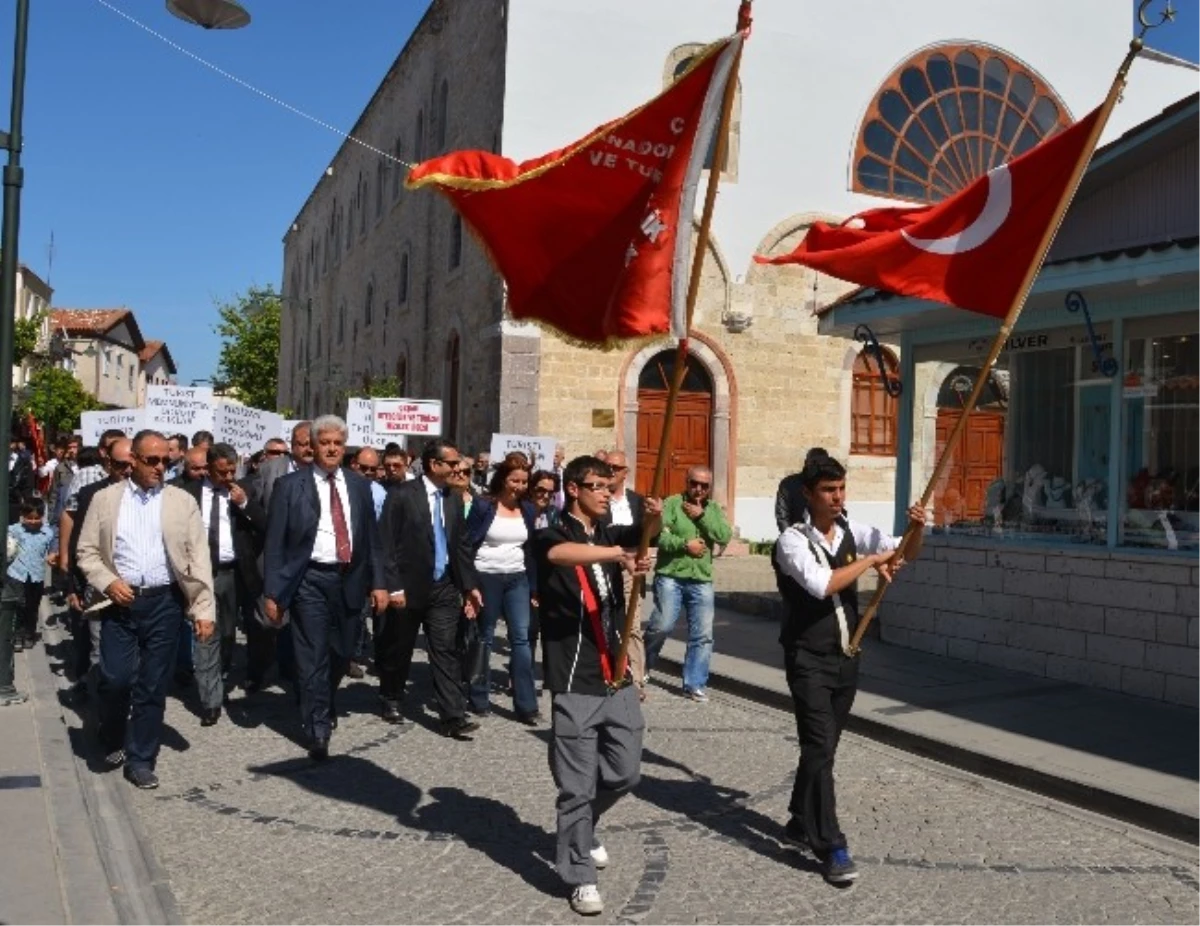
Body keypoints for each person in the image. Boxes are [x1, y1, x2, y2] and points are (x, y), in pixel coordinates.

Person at [774, 454, 926, 884]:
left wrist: (918, 529)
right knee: (820, 746)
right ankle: (831, 844)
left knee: (823, 749)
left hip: (847, 656)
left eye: (841, 488)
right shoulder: (792, 540)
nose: (837, 497)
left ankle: (801, 818)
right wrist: (870, 562)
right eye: (828, 490)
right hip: (807, 659)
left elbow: (902, 553)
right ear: (809, 494)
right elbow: (823, 584)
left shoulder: (849, 531)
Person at [536, 455, 661, 916]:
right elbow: (558, 556)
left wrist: (655, 516)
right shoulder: (552, 532)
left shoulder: (610, 530)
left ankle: (584, 827)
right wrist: (616, 556)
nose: (608, 494)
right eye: (599, 487)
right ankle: (577, 874)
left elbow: (648, 534)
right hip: (574, 674)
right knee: (575, 787)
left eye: (612, 487)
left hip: (617, 673)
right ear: (574, 489)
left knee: (627, 771)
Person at [77, 430, 216, 790]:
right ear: (133, 461)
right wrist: (108, 581)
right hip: (119, 603)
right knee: (116, 677)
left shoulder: (181, 502)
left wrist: (204, 610)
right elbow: (86, 552)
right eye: (152, 460)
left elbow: (198, 558)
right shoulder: (106, 500)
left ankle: (140, 758)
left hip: (164, 603)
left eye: (165, 461)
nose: (160, 467)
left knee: (153, 685)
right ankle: (110, 733)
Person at [262, 415, 387, 761]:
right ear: (312, 446)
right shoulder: (291, 486)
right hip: (309, 580)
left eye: (337, 443)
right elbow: (275, 544)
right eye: (325, 443)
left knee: (342, 651)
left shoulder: (358, 485)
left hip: (349, 578)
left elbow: (372, 541)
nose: (331, 449)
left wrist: (379, 583)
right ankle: (317, 726)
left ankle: (323, 699)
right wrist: (273, 592)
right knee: (312, 654)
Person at [376, 439, 480, 738]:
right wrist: (392, 587)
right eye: (451, 463)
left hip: (443, 588)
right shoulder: (402, 495)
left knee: (445, 649)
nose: (457, 468)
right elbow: (387, 545)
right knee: (400, 647)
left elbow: (460, 545)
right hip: (408, 588)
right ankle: (391, 696)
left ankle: (452, 716)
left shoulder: (453, 498)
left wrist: (469, 585)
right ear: (434, 465)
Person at [182, 443, 267, 726]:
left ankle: (221, 677)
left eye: (232, 470)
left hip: (234, 574)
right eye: (221, 472)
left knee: (228, 634)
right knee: (206, 633)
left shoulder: (245, 490)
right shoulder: (189, 494)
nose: (228, 477)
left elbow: (265, 525)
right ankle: (210, 699)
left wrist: (244, 503)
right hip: (203, 573)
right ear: (208, 468)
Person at [643, 466, 732, 702]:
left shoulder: (712, 509)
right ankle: (641, 665)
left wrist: (700, 516)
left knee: (702, 634)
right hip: (671, 574)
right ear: (687, 481)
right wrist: (685, 545)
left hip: (701, 578)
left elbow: (724, 536)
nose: (699, 489)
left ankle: (694, 683)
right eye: (694, 483)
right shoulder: (672, 503)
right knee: (661, 625)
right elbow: (660, 536)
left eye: (704, 485)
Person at [462, 457, 540, 723]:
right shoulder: (485, 505)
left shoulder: (528, 509)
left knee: (521, 638)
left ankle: (526, 704)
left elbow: (529, 550)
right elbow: (467, 543)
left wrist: (534, 586)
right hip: (487, 576)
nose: (519, 486)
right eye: (514, 480)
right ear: (502, 480)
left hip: (517, 577)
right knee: (485, 637)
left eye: (523, 481)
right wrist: (469, 585)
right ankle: (479, 696)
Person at [243, 421, 313, 694]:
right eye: (301, 443)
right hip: (275, 557)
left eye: (311, 443)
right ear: (291, 446)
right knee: (266, 621)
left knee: (302, 621)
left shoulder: (327, 473)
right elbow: (257, 509)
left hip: (309, 560)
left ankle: (295, 673)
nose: (307, 448)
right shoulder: (271, 469)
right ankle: (258, 669)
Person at [775, 447, 830, 533]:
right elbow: (782, 517)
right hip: (795, 537)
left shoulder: (830, 486)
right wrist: (790, 538)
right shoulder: (788, 484)